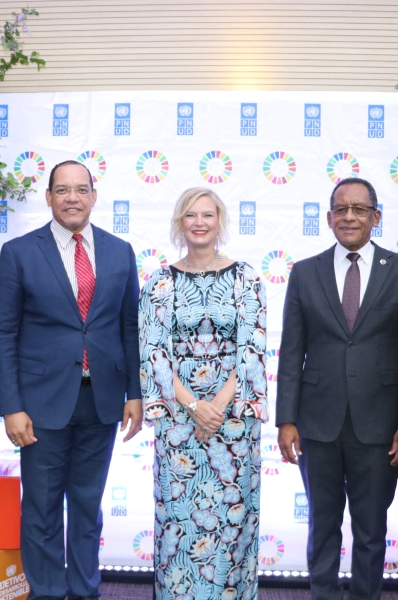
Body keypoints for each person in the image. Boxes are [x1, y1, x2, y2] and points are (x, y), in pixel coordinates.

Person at [0, 160, 143, 600]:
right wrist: (11, 406)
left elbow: (130, 327)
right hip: (41, 404)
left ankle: (85, 590)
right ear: (49, 197)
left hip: (103, 400)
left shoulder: (120, 251)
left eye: (80, 189)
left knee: (89, 507)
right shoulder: (19, 252)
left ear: (94, 195)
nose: (72, 197)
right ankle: (48, 593)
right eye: (62, 190)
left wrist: (135, 393)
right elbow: (1, 333)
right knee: (41, 509)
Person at [275, 178, 398, 600]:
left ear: (375, 217)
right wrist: (286, 419)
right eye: (341, 209)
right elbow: (292, 351)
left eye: (359, 209)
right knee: (322, 525)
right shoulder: (305, 272)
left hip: (380, 425)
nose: (349, 216)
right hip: (316, 423)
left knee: (371, 529)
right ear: (328, 218)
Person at [139, 187, 267, 600]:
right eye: (191, 215)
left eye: (208, 215)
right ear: (180, 222)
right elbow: (153, 351)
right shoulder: (159, 281)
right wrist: (194, 406)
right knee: (178, 524)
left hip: (234, 422)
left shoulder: (246, 277)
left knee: (233, 525)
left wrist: (217, 406)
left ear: (219, 221)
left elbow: (252, 348)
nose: (199, 222)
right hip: (179, 422)